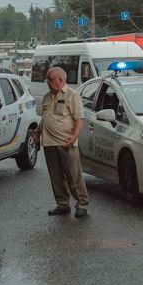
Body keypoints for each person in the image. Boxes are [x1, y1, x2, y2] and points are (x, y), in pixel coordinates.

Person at [34, 66, 90, 217]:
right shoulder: (47, 97)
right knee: (56, 176)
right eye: (47, 80)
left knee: (73, 175)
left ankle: (82, 204)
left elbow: (79, 119)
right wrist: (38, 131)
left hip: (66, 142)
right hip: (49, 143)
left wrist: (74, 136)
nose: (48, 83)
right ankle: (62, 204)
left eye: (50, 80)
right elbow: (45, 117)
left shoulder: (72, 95)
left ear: (60, 80)